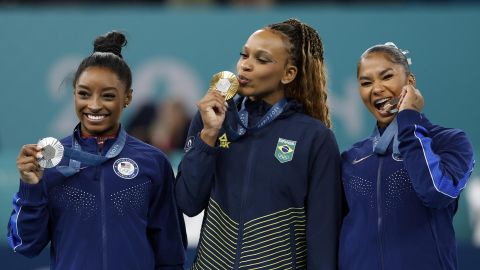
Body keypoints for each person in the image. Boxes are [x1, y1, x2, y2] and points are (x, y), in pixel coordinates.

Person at [7, 31, 186, 270]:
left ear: (128, 98)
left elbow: (170, 253)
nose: (94, 105)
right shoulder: (50, 161)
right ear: (74, 94)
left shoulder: (152, 162)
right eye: (84, 94)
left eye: (108, 96)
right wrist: (30, 186)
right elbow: (25, 245)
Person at [175, 18, 342, 269]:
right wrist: (208, 136)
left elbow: (323, 237)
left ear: (289, 74)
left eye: (262, 60)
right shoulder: (213, 119)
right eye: (244, 55)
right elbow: (188, 203)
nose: (246, 66)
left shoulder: (314, 137)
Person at [339, 42, 475, 270]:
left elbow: (436, 193)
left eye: (386, 77)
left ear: (410, 82)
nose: (377, 88)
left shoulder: (449, 142)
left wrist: (409, 120)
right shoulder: (352, 158)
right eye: (366, 82)